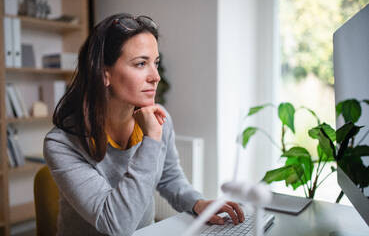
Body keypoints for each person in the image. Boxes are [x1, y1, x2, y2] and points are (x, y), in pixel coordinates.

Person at [43, 13, 244, 236]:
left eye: (155, 63)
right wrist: (151, 140)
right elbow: (115, 224)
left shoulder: (159, 119)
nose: (155, 76)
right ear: (104, 74)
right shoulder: (61, 143)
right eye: (141, 64)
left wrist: (198, 203)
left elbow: (169, 177)